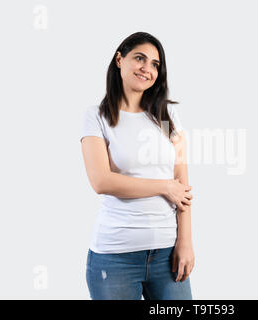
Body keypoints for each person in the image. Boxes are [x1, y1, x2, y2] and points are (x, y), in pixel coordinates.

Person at [80, 32, 194, 300]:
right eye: (139, 58)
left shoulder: (166, 116)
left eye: (155, 64)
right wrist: (165, 186)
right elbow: (101, 182)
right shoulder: (97, 117)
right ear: (119, 59)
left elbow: (182, 183)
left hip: (167, 255)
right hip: (115, 258)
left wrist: (185, 242)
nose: (147, 68)